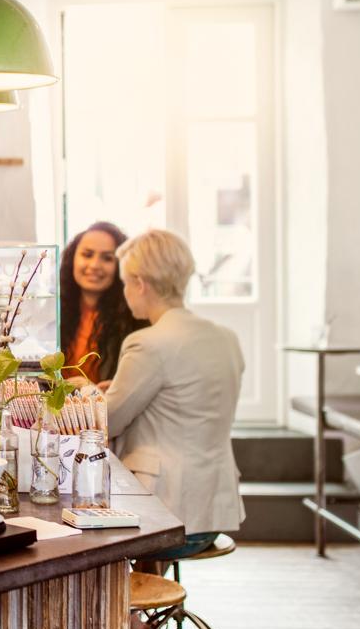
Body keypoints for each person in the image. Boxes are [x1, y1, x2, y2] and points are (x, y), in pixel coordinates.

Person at [106, 229, 245, 560]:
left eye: (125, 283)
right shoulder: (226, 338)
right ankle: (148, 609)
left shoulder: (148, 343)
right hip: (212, 515)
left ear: (140, 283)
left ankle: (129, 611)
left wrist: (87, 396)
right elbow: (183, 402)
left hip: (163, 516)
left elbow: (107, 422)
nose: (125, 293)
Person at [59, 221, 141, 384]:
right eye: (87, 254)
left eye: (107, 258)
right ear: (72, 258)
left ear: (121, 266)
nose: (95, 265)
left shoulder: (135, 319)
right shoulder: (55, 311)